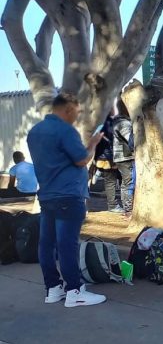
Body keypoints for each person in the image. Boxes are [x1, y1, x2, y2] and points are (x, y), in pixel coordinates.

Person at [26, 93, 106, 307]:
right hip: (69, 195)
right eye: (77, 112)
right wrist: (93, 143)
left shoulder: (34, 132)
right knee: (67, 244)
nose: (77, 116)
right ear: (68, 109)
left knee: (47, 244)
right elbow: (82, 159)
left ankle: (53, 288)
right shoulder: (65, 130)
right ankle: (74, 290)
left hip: (47, 194)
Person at [94, 112, 123, 213]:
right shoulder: (109, 123)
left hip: (102, 157)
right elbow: (111, 142)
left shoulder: (100, 123)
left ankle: (113, 204)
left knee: (110, 181)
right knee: (111, 181)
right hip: (108, 158)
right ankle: (113, 205)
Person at [111, 98, 134, 215]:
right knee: (129, 183)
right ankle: (128, 209)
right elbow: (130, 140)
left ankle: (127, 207)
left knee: (126, 183)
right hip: (125, 157)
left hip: (122, 156)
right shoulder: (123, 123)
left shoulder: (119, 121)